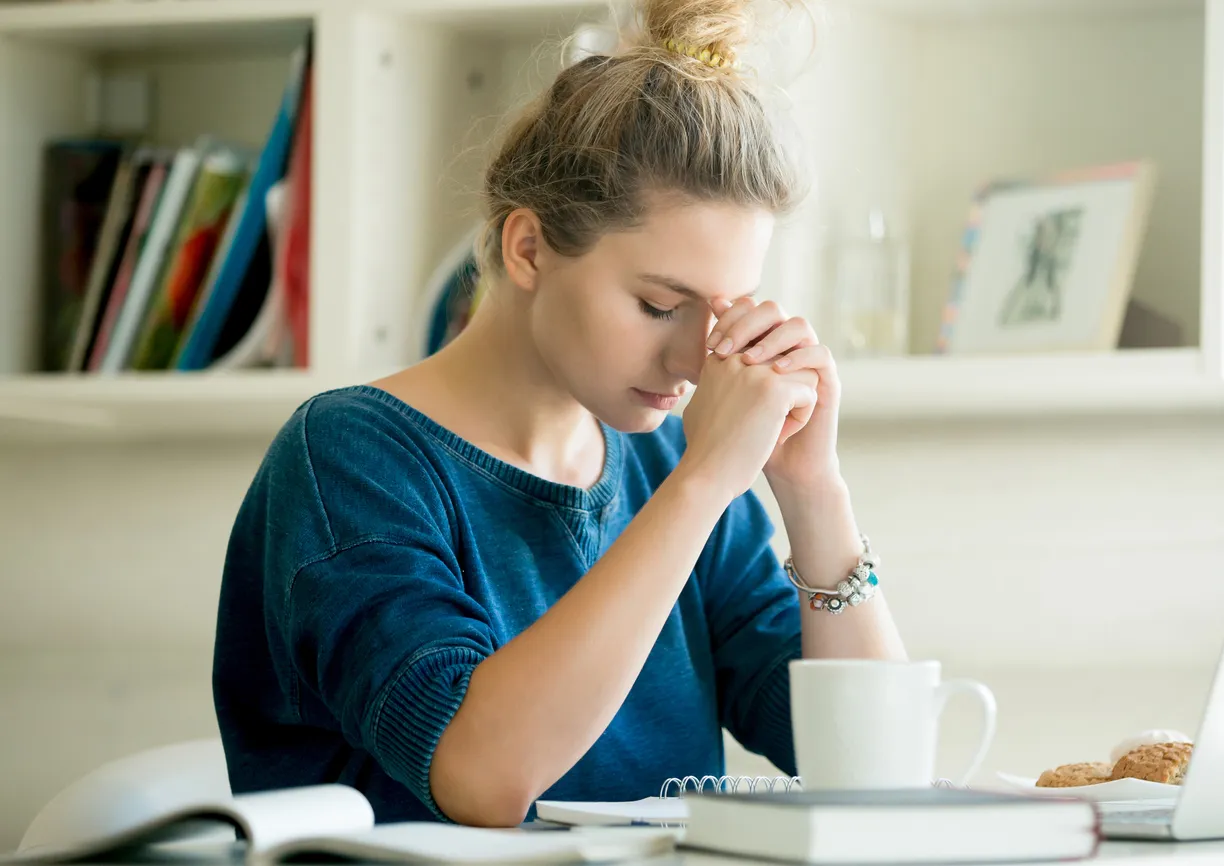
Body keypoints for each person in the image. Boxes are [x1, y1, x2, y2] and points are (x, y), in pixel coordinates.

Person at [211, 0, 905, 829]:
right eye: (657, 304)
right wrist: (704, 481)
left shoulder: (665, 468)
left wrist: (814, 492)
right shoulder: (348, 458)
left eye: (718, 315)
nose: (694, 360)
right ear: (528, 248)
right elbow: (483, 777)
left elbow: (877, 774)